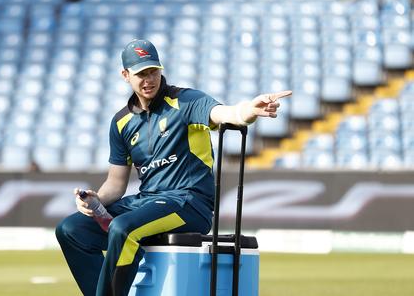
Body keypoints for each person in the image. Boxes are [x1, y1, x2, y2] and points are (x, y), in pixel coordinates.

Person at [55, 39, 291, 296]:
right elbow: (116, 183)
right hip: (147, 202)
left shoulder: (186, 101)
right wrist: (96, 199)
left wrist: (249, 110)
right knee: (70, 230)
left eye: (153, 71)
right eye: (141, 74)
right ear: (125, 75)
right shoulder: (121, 122)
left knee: (123, 228)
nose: (149, 79)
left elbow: (226, 114)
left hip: (190, 203)